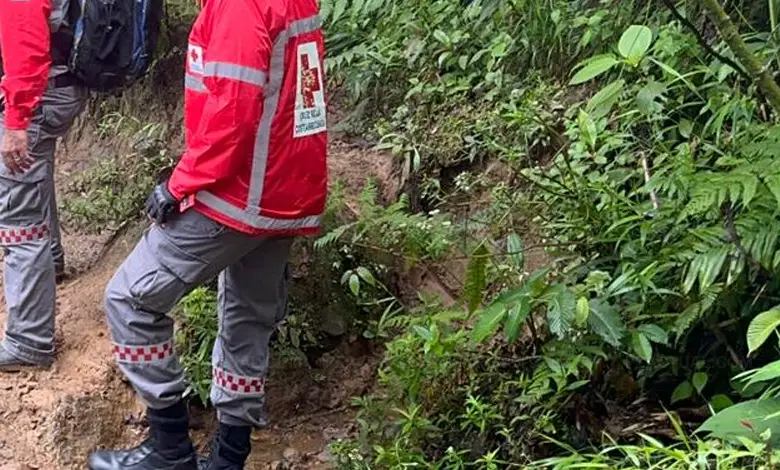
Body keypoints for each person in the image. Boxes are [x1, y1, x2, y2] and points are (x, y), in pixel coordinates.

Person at [87, 0, 328, 468]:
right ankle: (228, 458)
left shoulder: (239, 7)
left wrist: (180, 184)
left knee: (129, 298)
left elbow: (232, 116)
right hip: (286, 190)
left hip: (240, 192)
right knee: (247, 323)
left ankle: (170, 447)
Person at [0, 0, 87, 371]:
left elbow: (26, 41)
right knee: (35, 175)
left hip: (37, 95)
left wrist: (17, 121)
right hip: (58, 84)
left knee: (18, 216)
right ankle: (51, 260)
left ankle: (29, 340)